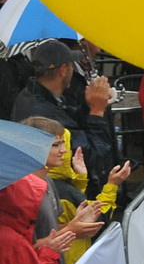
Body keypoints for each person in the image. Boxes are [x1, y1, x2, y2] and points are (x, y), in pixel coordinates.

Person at [11, 40, 117, 194]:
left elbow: (69, 118)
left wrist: (88, 105)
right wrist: (97, 112)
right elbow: (89, 156)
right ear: (63, 70)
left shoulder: (35, 94)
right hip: (58, 192)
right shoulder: (43, 111)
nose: (72, 70)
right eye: (71, 65)